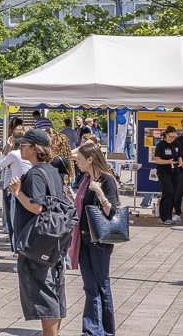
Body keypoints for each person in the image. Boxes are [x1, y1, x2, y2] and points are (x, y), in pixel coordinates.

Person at [7, 129, 67, 336]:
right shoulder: (51, 171)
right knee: (55, 292)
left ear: (34, 148)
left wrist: (17, 192)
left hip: (36, 243)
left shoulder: (34, 174)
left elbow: (37, 207)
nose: (20, 147)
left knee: (44, 296)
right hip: (54, 241)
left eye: (24, 145)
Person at [67, 142, 120, 336]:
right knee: (90, 286)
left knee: (102, 286)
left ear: (90, 159)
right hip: (83, 238)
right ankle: (91, 331)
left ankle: (105, 331)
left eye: (80, 159)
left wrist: (98, 191)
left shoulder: (106, 180)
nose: (77, 162)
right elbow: (85, 208)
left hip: (99, 241)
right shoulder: (86, 179)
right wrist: (72, 198)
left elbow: (111, 211)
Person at [0, 128, 31, 261]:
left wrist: (7, 147)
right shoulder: (26, 155)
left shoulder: (14, 154)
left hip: (12, 190)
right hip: (25, 189)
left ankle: (15, 251)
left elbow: (1, 163)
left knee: (13, 222)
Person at [154, 125, 182, 224]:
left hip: (175, 172)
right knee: (168, 192)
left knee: (174, 194)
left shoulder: (177, 144)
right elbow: (157, 160)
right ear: (166, 135)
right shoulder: (160, 145)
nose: (172, 139)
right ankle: (165, 217)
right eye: (170, 136)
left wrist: (181, 162)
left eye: (174, 136)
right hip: (163, 172)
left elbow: (179, 156)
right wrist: (167, 162)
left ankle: (169, 215)